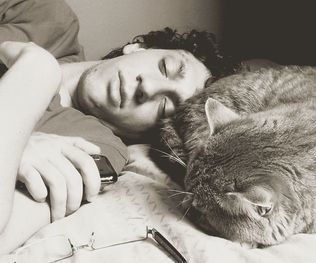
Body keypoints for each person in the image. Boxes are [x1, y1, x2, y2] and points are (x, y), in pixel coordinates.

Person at [0, 14, 235, 253]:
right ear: (138, 48)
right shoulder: (50, 20)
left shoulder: (97, 150)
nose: (149, 87)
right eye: (166, 67)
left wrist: (37, 72)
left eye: (164, 106)